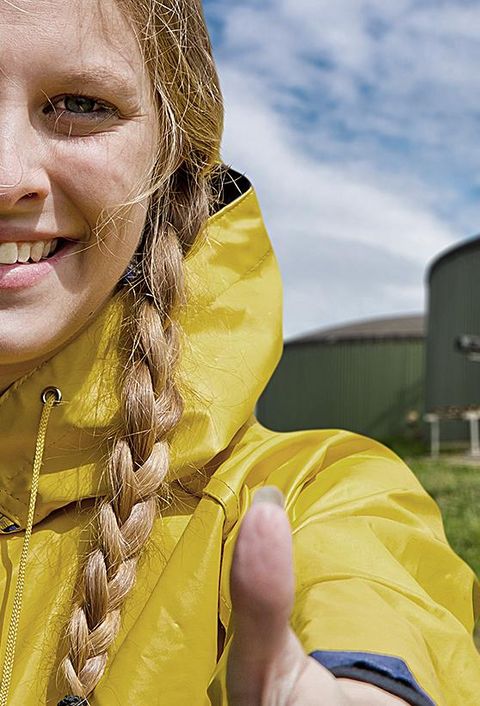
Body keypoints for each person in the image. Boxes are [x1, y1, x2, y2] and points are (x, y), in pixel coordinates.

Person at [0, 1, 478, 705]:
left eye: (80, 103)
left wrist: (370, 685)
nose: (8, 174)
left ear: (171, 164)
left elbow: (370, 586)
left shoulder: (303, 500)